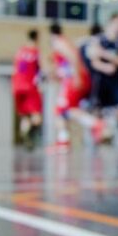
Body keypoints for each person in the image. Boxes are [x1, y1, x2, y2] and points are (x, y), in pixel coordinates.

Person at [88, 13, 118, 138]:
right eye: (116, 24)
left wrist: (106, 55)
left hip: (117, 80)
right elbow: (94, 60)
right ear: (110, 23)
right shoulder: (99, 39)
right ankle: (97, 136)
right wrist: (105, 66)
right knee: (98, 110)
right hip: (102, 80)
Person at [50, 23, 90, 151]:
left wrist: (77, 76)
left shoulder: (59, 42)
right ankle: (63, 140)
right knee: (64, 110)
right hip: (70, 79)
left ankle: (95, 124)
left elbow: (73, 58)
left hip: (72, 79)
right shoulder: (63, 42)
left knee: (62, 110)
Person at [12, 29, 43, 149]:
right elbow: (40, 70)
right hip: (30, 86)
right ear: (37, 38)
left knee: (25, 115)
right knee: (36, 116)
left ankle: (25, 131)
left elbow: (17, 69)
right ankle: (30, 134)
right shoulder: (36, 52)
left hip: (17, 86)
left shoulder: (19, 52)